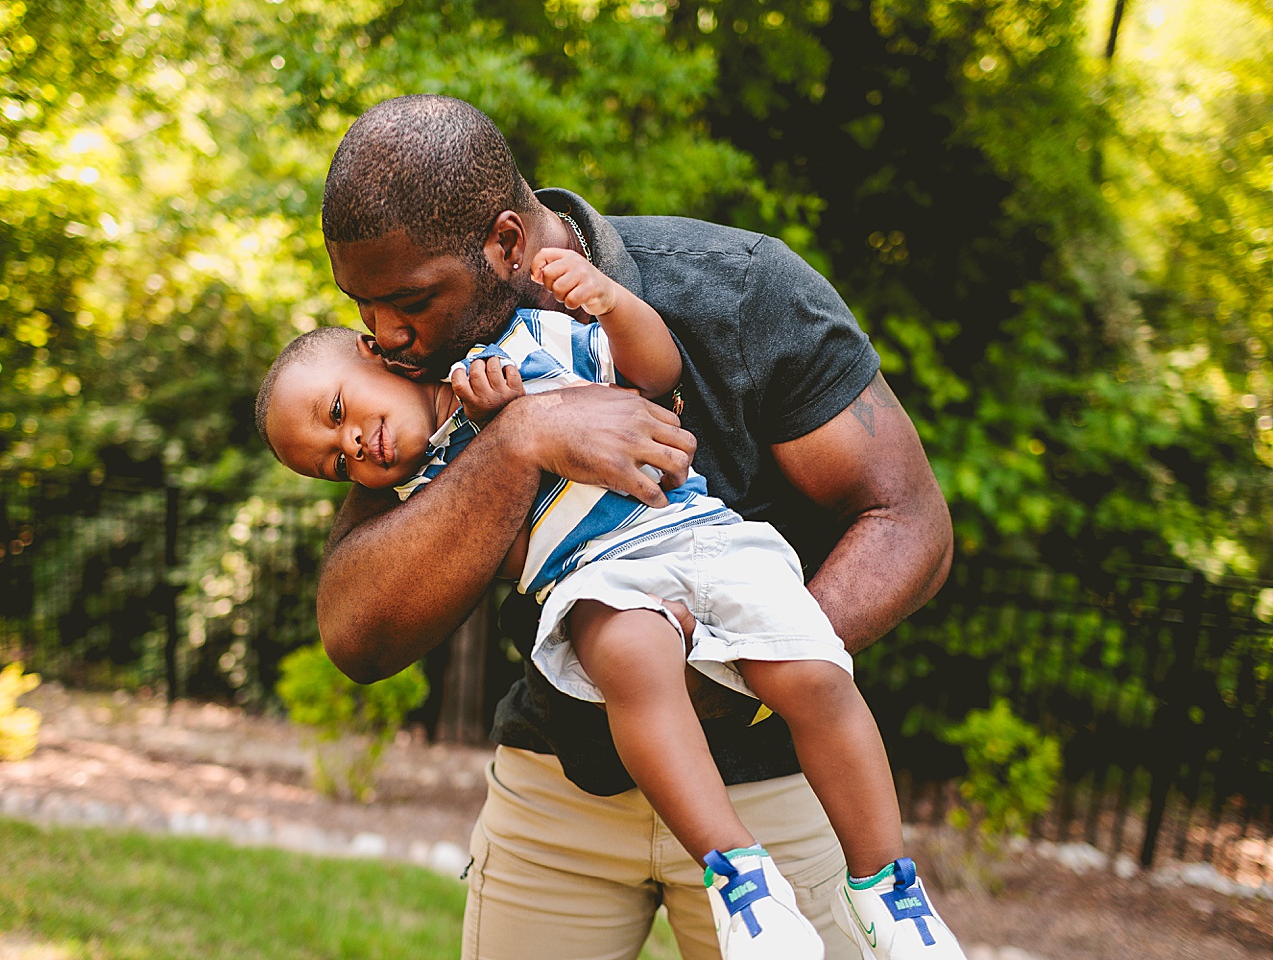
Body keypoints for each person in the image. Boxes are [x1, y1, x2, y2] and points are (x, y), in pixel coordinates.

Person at [307, 94, 954, 960]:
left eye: (409, 301)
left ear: (507, 245)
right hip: (557, 784)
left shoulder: (737, 288)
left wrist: (734, 673)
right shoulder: (406, 378)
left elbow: (907, 520)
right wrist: (521, 442)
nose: (383, 334)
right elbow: (359, 632)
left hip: (768, 780)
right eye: (362, 305)